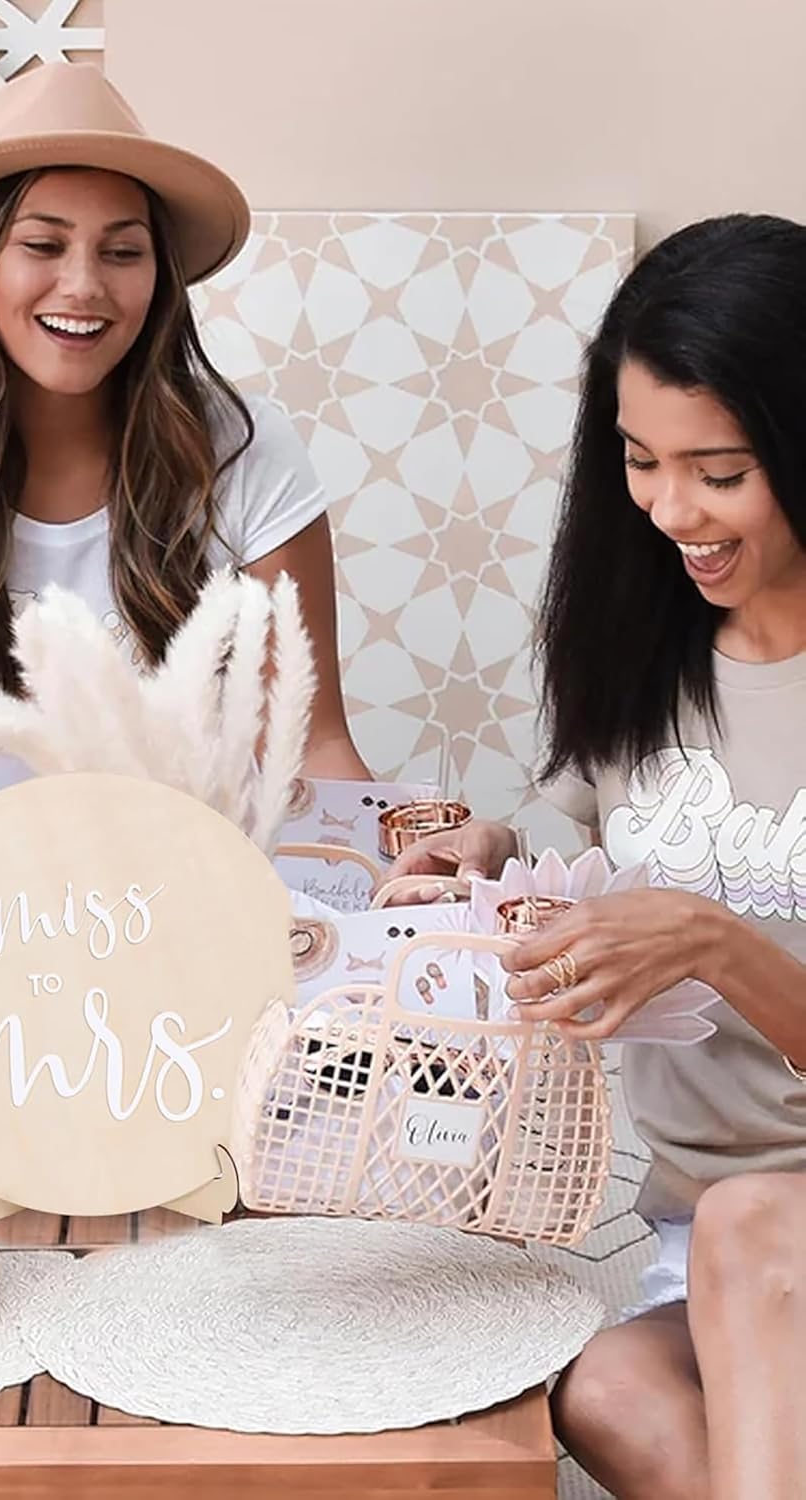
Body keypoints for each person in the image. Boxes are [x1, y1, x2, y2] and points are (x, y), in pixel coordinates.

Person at [383, 214, 806, 1500]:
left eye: (719, 471)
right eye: (639, 461)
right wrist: (498, 849)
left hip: (769, 1226)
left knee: (754, 1223)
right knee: (609, 1386)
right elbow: (584, 825)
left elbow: (685, 918)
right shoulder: (650, 641)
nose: (672, 510)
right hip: (705, 1238)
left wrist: (713, 943)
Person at [0, 62, 368, 780]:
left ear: (159, 276)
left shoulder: (246, 451)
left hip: (204, 881)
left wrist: (406, 858)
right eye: (42, 245)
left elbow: (312, 747)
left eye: (123, 251)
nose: (85, 285)